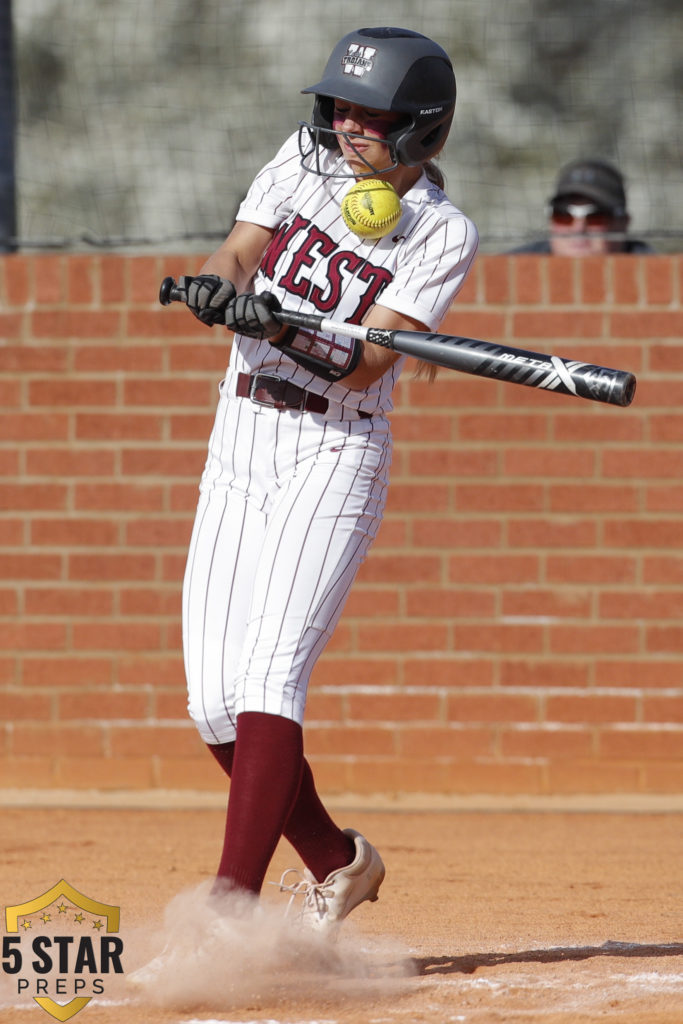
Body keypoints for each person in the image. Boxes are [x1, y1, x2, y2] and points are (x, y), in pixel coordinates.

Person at [175, 27, 478, 935]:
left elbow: (365, 364)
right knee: (212, 706)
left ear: (421, 128)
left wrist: (278, 327)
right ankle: (340, 864)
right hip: (240, 441)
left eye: (370, 116)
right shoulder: (300, 165)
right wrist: (215, 287)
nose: (347, 128)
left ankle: (225, 919)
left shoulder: (440, 231)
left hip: (332, 451)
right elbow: (236, 252)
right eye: (340, 108)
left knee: (271, 680)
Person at [508, 158, 653, 255]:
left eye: (595, 217)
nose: (578, 229)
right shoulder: (511, 269)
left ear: (623, 223)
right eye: (563, 215)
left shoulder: (657, 276)